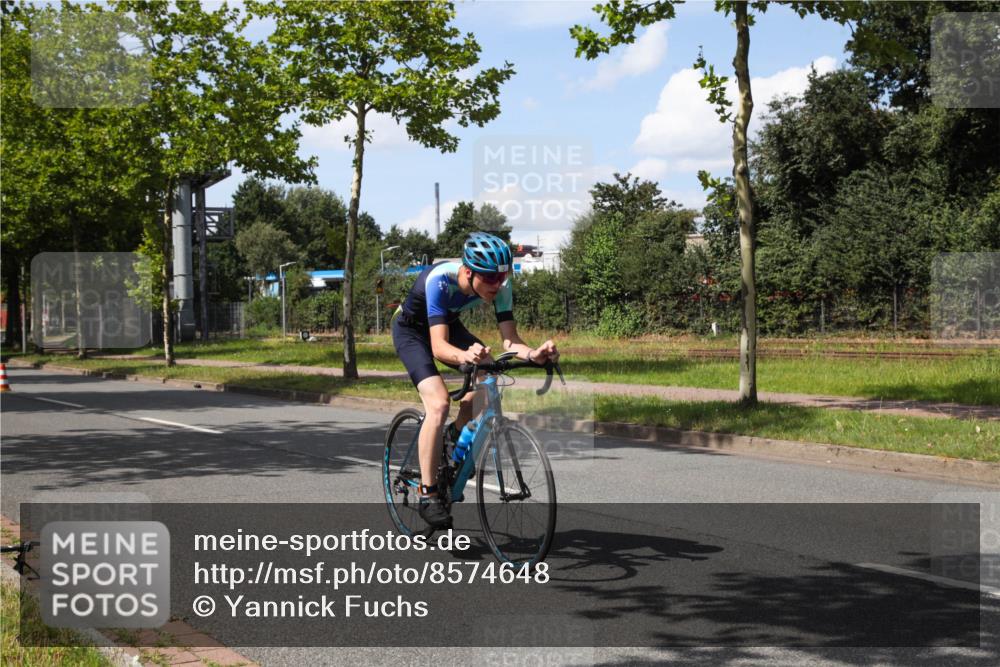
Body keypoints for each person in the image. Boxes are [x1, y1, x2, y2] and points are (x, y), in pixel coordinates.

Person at [390, 232, 559, 528]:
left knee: (489, 374)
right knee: (439, 403)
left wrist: (534, 354)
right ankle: (428, 494)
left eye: (503, 277)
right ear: (469, 272)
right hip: (411, 332)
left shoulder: (500, 286)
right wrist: (466, 356)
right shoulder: (440, 280)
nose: (498, 284)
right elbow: (439, 347)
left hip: (447, 325)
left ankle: (455, 436)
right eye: (491, 278)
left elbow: (510, 341)